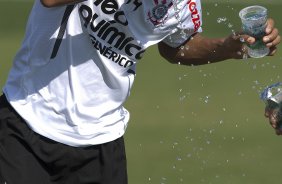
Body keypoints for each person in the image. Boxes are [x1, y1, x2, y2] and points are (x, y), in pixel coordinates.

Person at [0, 0, 280, 183]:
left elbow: (175, 47)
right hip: (26, 124)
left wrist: (226, 48)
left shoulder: (183, 3)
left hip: (102, 140)